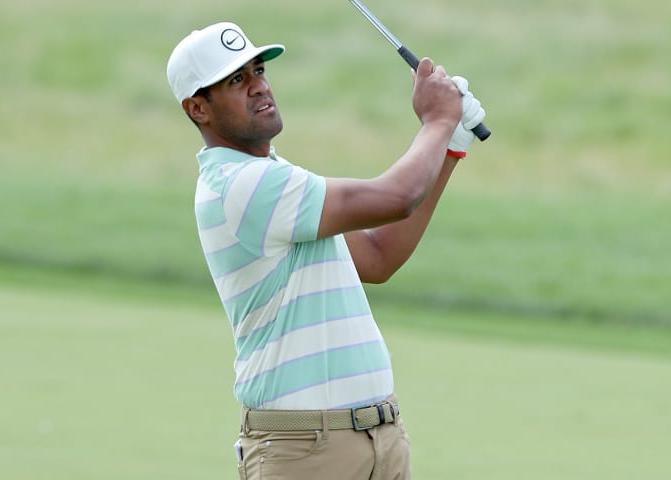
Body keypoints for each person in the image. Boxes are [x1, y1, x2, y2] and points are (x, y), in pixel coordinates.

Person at [166, 21, 485, 480]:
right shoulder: (242, 185)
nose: (259, 86)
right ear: (198, 108)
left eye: (258, 70)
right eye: (237, 80)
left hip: (381, 438)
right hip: (306, 451)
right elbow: (395, 197)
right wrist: (438, 121)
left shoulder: (275, 178)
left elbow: (377, 256)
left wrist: (450, 147)